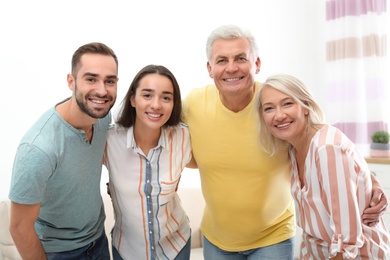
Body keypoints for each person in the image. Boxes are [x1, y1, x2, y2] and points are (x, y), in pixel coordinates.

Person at [182, 24, 388, 259]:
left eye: (241, 58)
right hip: (217, 240)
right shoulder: (194, 104)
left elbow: (327, 145)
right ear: (209, 68)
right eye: (221, 60)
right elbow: (166, 141)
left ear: (257, 64)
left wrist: (370, 181)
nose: (231, 67)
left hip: (273, 239)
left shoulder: (271, 101)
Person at [257, 73, 390, 259]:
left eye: (288, 103)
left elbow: (346, 243)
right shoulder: (292, 148)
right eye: (269, 108)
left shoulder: (326, 149)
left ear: (306, 106)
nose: (279, 115)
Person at [8, 42, 119, 260]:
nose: (102, 90)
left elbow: (97, 156)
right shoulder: (39, 148)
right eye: (91, 79)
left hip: (98, 240)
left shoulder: (103, 116)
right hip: (58, 252)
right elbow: (19, 228)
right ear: (71, 81)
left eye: (110, 81)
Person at [104, 64, 196, 260]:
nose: (156, 105)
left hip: (176, 246)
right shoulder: (109, 140)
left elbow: (212, 163)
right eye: (147, 95)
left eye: (166, 97)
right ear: (132, 99)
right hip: (127, 250)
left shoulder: (183, 136)